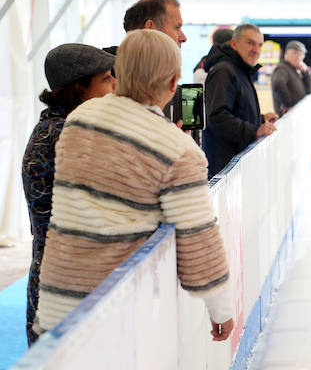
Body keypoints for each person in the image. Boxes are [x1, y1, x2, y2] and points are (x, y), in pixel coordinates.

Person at [33, 30, 233, 341]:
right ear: (172, 83)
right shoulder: (176, 148)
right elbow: (198, 239)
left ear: (117, 74)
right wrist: (220, 309)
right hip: (115, 311)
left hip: (59, 303)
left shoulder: (79, 120)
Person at [20, 44, 117, 346]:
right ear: (79, 89)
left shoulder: (62, 128)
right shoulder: (65, 136)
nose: (114, 86)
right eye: (105, 79)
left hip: (65, 278)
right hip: (63, 286)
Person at [202, 23, 278, 178]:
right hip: (224, 167)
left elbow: (236, 109)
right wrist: (254, 130)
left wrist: (260, 119)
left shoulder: (239, 70)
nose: (256, 50)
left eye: (259, 45)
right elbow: (218, 116)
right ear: (234, 44)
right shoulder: (224, 71)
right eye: (250, 43)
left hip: (236, 164)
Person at [271, 40, 311, 114]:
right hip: (289, 116)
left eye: (301, 54)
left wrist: (306, 73)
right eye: (295, 53)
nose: (298, 57)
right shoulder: (282, 68)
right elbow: (278, 83)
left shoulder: (296, 69)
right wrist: (288, 104)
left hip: (297, 114)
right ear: (286, 53)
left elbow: (310, 91)